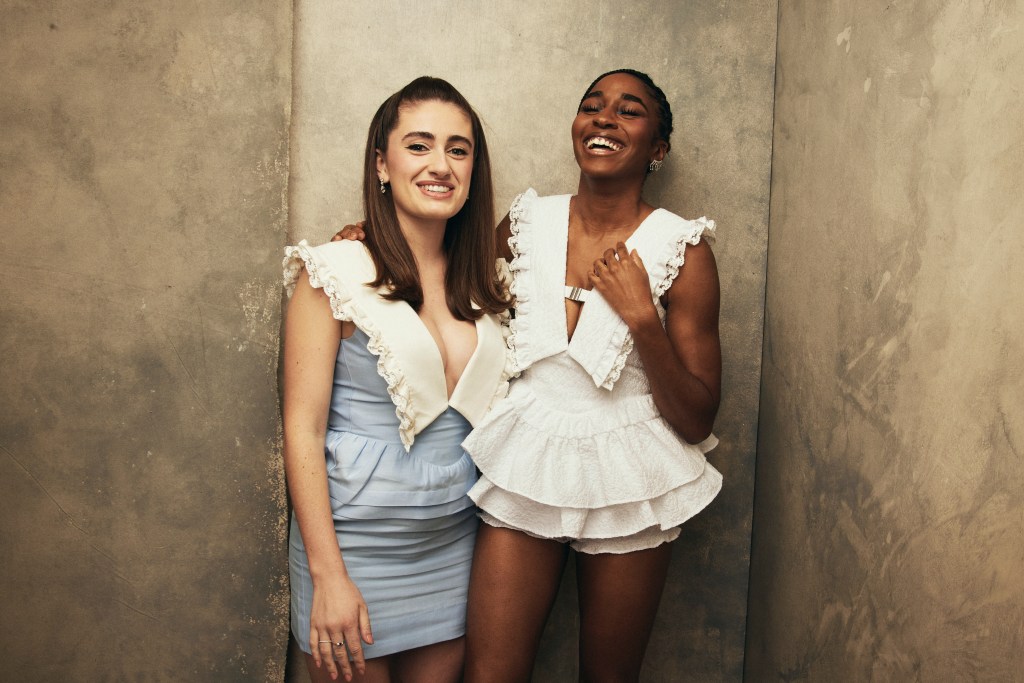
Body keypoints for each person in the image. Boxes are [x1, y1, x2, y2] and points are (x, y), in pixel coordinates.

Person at [335, 68, 722, 681]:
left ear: (658, 147)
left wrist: (643, 319)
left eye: (629, 111)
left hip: (630, 477)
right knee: (490, 674)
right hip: (526, 465)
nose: (604, 118)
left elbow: (698, 417)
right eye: (592, 105)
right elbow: (445, 279)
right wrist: (369, 245)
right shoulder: (526, 223)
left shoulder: (684, 248)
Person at [282, 76, 512, 683]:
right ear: (381, 163)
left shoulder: (485, 283)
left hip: (452, 549)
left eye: (458, 149)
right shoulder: (334, 271)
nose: (440, 165)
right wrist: (329, 576)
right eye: (418, 145)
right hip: (352, 551)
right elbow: (302, 430)